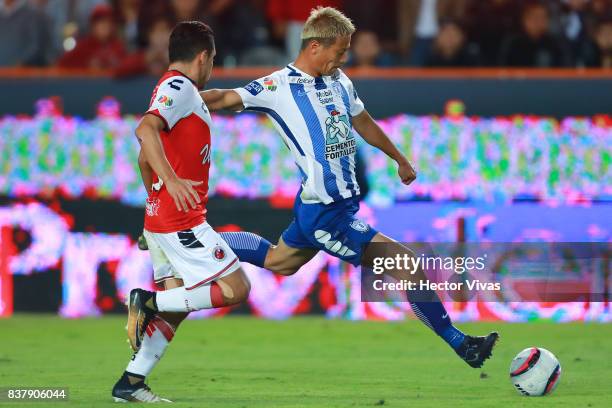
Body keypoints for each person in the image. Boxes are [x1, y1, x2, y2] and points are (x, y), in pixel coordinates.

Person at [202, 7, 498, 369]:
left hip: (332, 206)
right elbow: (223, 98)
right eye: (339, 51)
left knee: (279, 262)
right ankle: (460, 343)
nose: (345, 58)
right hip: (326, 213)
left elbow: (363, 122)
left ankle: (189, 239)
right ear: (314, 46)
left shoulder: (340, 81)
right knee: (407, 264)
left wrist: (399, 158)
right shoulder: (278, 86)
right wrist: (174, 102)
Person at [111, 21, 251, 403]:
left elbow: (144, 158)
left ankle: (131, 382)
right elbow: (144, 129)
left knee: (178, 309)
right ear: (203, 56)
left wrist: (153, 200)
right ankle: (146, 301)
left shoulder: (171, 90)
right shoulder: (180, 88)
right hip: (181, 220)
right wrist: (171, 181)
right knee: (236, 288)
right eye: (213, 60)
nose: (212, 68)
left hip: (161, 219)